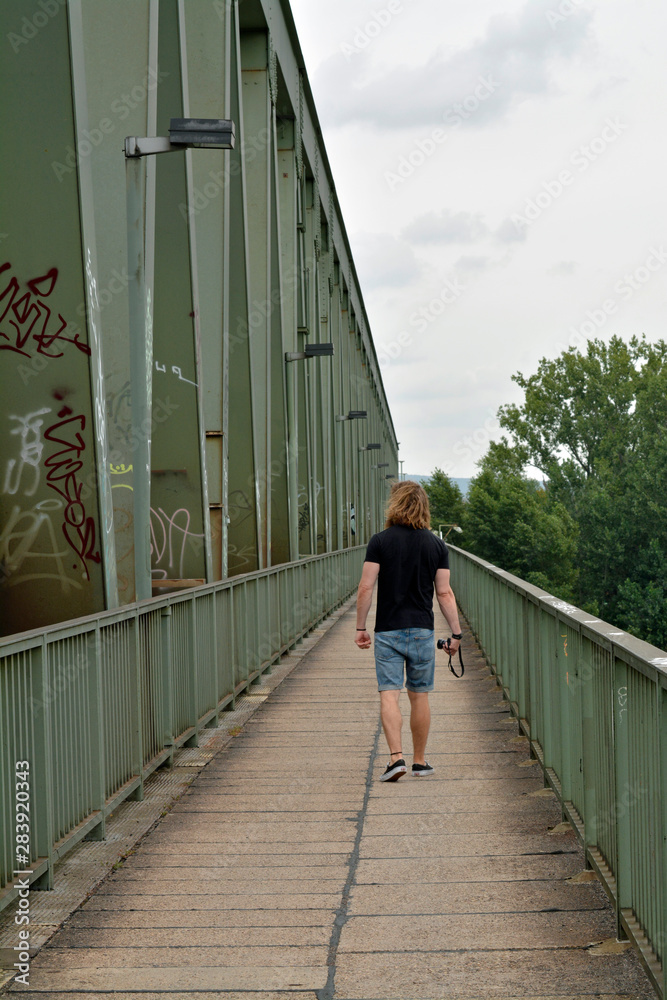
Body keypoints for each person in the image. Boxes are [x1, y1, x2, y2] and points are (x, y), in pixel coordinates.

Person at [354, 480, 462, 781]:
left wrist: (361, 627)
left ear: (395, 504)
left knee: (389, 694)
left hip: (387, 631)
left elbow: (366, 587)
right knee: (420, 695)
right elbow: (444, 593)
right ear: (424, 506)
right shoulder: (436, 545)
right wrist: (456, 634)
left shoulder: (380, 541)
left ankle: (395, 759)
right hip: (423, 632)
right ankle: (419, 761)